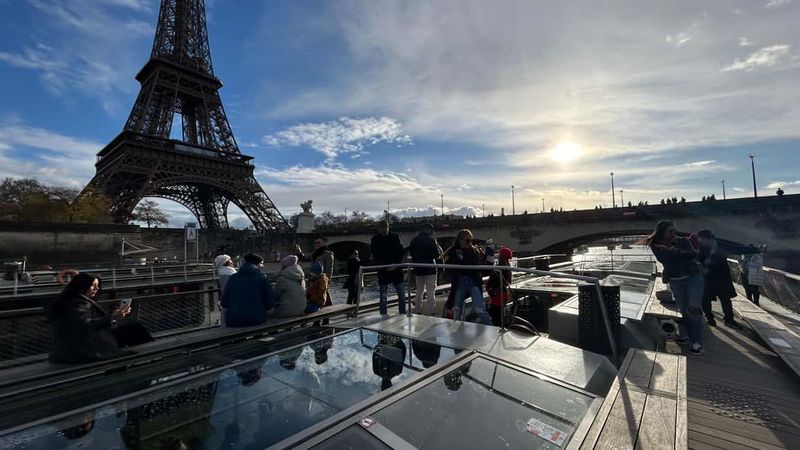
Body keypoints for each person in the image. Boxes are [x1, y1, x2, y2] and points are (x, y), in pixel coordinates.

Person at [45, 272, 154, 363]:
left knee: (132, 328)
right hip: (83, 349)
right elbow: (84, 325)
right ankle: (151, 356)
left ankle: (146, 354)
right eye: (93, 285)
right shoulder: (78, 303)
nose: (96, 289)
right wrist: (112, 317)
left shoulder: (66, 300)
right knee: (134, 329)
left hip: (71, 347)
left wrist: (115, 318)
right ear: (83, 286)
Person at [642, 221, 705, 355]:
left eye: (674, 231)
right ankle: (689, 334)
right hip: (675, 280)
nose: (673, 234)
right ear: (662, 232)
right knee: (683, 308)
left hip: (693, 277)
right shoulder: (655, 245)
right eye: (670, 231)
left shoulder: (682, 241)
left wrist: (673, 251)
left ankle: (697, 341)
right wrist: (678, 254)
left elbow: (692, 255)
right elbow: (665, 260)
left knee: (694, 307)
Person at [443, 229, 492, 325]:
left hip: (473, 281)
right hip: (459, 282)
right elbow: (448, 265)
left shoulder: (475, 251)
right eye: (467, 240)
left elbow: (481, 267)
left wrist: (487, 257)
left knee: (480, 309)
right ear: (460, 240)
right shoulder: (453, 251)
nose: (470, 242)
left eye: (471, 240)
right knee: (457, 310)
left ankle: (491, 327)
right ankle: (456, 331)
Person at [697, 230, 742, 329]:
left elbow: (737, 248)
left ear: (708, 239)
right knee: (705, 299)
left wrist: (756, 249)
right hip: (707, 278)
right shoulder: (701, 248)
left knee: (725, 299)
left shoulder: (720, 246)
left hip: (721, 277)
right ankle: (710, 318)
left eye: (702, 239)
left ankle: (729, 320)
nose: (700, 241)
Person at [220, 253, 275, 327]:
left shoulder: (233, 278)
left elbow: (224, 302)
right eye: (261, 263)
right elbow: (270, 299)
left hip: (234, 319)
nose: (263, 266)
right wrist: (262, 309)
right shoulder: (261, 277)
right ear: (256, 264)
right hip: (255, 318)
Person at [371, 220, 407, 315]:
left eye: (385, 228)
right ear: (378, 229)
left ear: (388, 227)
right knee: (384, 296)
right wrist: (390, 265)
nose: (383, 230)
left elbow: (401, 252)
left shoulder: (394, 237)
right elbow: (375, 255)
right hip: (385, 269)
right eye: (381, 228)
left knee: (401, 295)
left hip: (393, 268)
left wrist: (395, 264)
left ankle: (402, 313)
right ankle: (384, 314)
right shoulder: (375, 239)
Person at [408, 223, 443, 314]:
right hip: (430, 269)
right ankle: (432, 311)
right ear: (428, 230)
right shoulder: (431, 240)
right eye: (432, 230)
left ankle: (418, 310)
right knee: (431, 292)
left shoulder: (414, 240)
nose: (433, 232)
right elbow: (436, 255)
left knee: (419, 290)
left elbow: (412, 253)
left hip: (418, 270)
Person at [295, 237, 334, 306]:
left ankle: (328, 312)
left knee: (322, 298)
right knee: (319, 298)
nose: (316, 244)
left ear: (324, 242)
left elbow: (329, 270)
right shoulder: (314, 253)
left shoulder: (328, 255)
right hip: (314, 279)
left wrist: (327, 282)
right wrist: (299, 251)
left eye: (318, 243)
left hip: (322, 280)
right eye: (315, 243)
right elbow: (304, 258)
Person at [486, 246, 513, 326]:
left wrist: (490, 293)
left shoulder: (497, 268)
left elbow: (489, 284)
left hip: (497, 295)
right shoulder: (507, 268)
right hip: (504, 293)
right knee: (500, 316)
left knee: (495, 318)